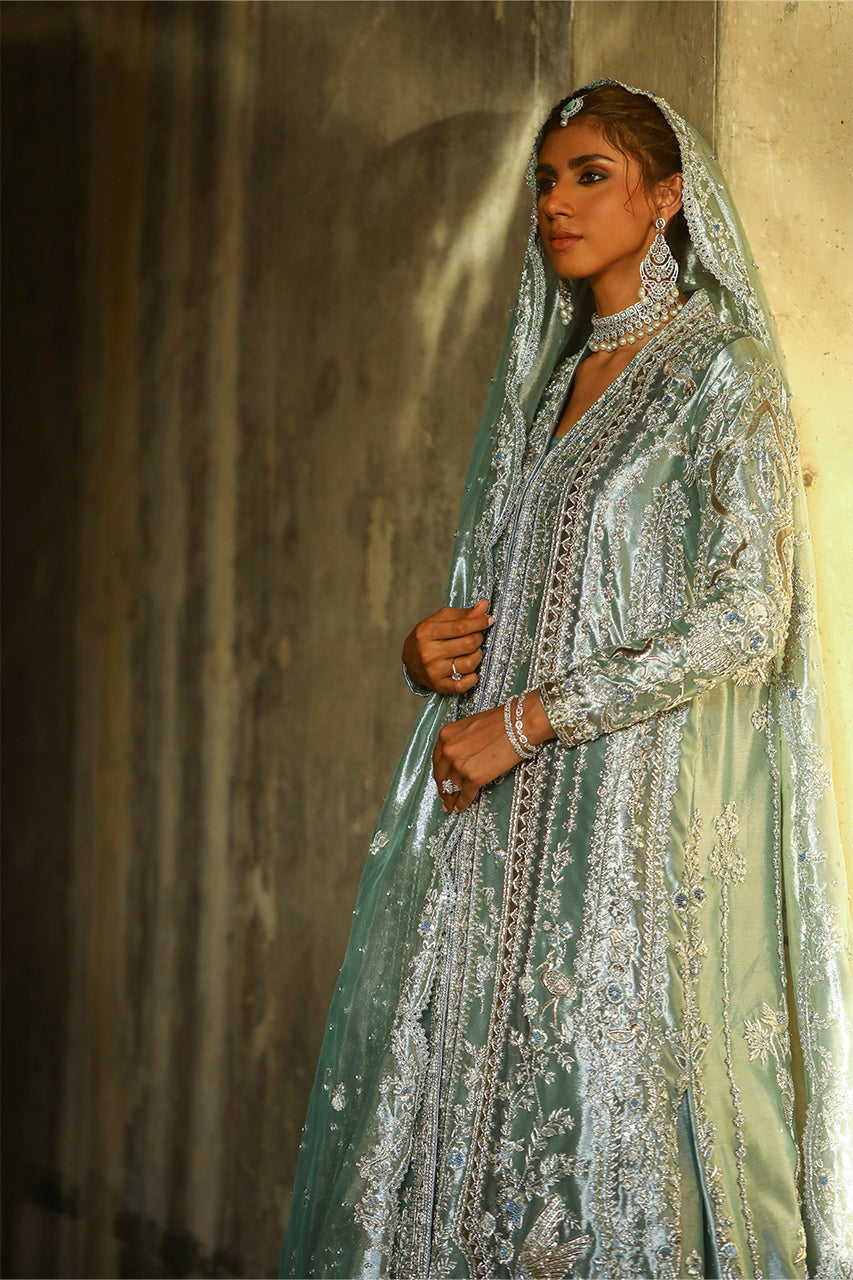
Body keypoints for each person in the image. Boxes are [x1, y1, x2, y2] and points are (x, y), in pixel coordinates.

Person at [280, 81, 852, 1280]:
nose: (556, 202)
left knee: (613, 1136)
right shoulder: (551, 383)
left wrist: (530, 719)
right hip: (501, 834)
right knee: (474, 1126)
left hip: (629, 832)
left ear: (666, 198)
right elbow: (533, 590)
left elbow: (749, 617)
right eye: (545, 180)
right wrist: (432, 650)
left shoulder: (719, 372)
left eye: (591, 175)